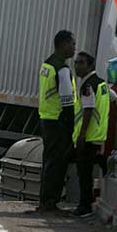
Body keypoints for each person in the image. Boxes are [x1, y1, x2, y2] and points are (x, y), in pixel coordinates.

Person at [37, 30, 78, 212]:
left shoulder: (47, 64)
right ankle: (50, 202)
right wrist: (70, 126)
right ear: (63, 45)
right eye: (72, 44)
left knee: (49, 161)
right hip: (58, 121)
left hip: (47, 118)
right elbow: (67, 101)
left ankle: (45, 199)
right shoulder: (62, 69)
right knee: (57, 163)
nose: (74, 48)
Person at [72, 51, 110, 218]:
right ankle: (102, 161)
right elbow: (115, 99)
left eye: (81, 63)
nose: (77, 66)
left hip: (88, 136)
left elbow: (88, 110)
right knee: (86, 167)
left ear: (90, 66)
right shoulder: (102, 84)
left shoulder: (87, 86)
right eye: (76, 62)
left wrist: (81, 135)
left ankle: (84, 205)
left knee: (84, 173)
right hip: (98, 134)